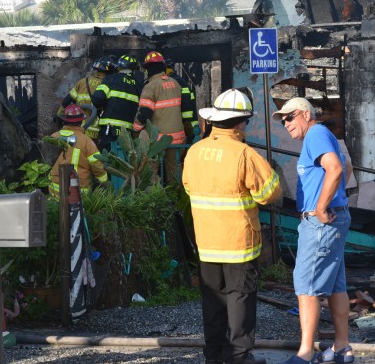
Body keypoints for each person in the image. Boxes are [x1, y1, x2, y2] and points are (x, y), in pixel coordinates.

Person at [182, 88, 282, 364]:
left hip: (207, 242)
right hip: (239, 243)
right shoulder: (244, 154)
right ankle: (239, 356)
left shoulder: (194, 151)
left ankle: (214, 354)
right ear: (239, 123)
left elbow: (189, 188)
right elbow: (269, 193)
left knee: (213, 300)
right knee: (240, 299)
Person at [272, 97, 354, 364]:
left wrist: (320, 206)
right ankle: (342, 348)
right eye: (283, 120)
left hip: (321, 223)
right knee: (335, 286)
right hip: (333, 218)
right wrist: (336, 196)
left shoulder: (316, 134)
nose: (286, 123)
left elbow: (336, 168)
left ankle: (306, 352)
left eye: (290, 117)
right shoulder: (321, 135)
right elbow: (345, 167)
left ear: (306, 114)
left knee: (306, 285)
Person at [133, 51, 185, 184]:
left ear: (148, 69)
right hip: (178, 138)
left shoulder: (150, 87)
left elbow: (144, 113)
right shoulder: (175, 84)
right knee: (175, 172)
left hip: (157, 139)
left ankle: (155, 200)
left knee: (150, 173)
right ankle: (177, 199)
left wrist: (136, 129)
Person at [49, 104, 108, 195]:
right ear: (81, 122)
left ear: (64, 120)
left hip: (56, 188)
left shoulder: (54, 137)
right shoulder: (86, 141)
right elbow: (97, 164)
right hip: (78, 191)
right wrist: (104, 181)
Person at [91, 54, 144, 150]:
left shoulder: (110, 79)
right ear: (134, 70)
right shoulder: (139, 85)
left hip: (109, 128)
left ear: (119, 67)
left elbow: (97, 100)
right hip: (127, 130)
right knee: (124, 160)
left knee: (108, 158)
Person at [63, 55, 118, 143]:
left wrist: (59, 118)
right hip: (95, 132)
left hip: (77, 129)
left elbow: (66, 102)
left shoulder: (82, 82)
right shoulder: (109, 85)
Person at [165, 58, 199, 143]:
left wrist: (187, 126)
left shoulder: (177, 82)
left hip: (185, 127)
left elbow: (186, 106)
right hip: (188, 126)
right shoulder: (180, 81)